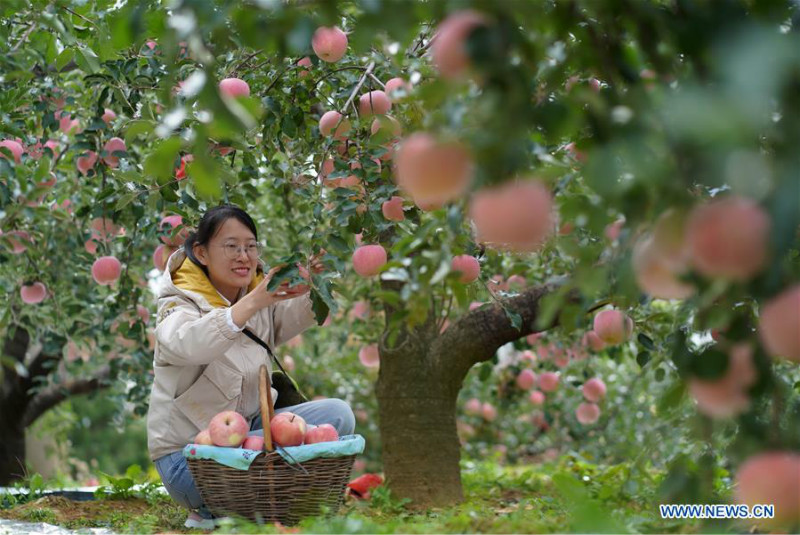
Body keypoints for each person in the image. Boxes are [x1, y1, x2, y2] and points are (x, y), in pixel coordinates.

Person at [146, 204, 355, 529]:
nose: (244, 256)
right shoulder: (178, 304)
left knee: (338, 415)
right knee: (264, 453)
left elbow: (303, 314)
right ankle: (219, 506)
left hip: (249, 439)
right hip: (191, 461)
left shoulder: (257, 299)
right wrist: (254, 301)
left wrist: (318, 280)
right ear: (201, 252)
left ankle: (255, 504)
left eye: (250, 246)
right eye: (231, 246)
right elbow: (189, 343)